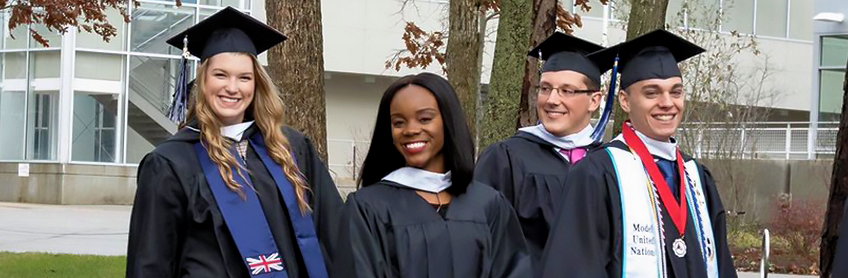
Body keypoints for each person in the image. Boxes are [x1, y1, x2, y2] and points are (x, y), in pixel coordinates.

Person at [126, 7, 342, 278]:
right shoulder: (170, 163)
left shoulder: (290, 148)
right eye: (220, 75)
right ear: (202, 81)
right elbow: (151, 261)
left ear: (257, 85)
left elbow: (334, 233)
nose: (233, 87)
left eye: (244, 77)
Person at [541, 29, 736, 278]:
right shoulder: (597, 173)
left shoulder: (696, 176)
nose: (667, 103)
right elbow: (573, 268)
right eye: (651, 93)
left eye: (675, 92)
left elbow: (720, 263)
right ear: (624, 101)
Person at [334, 72, 530, 277]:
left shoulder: (488, 204)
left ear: (448, 121)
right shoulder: (368, 208)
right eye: (398, 122)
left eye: (425, 119)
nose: (410, 129)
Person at [473, 32, 611, 271]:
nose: (551, 100)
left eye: (567, 91)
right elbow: (477, 241)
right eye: (545, 88)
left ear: (594, 101)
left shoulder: (611, 164)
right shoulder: (505, 159)